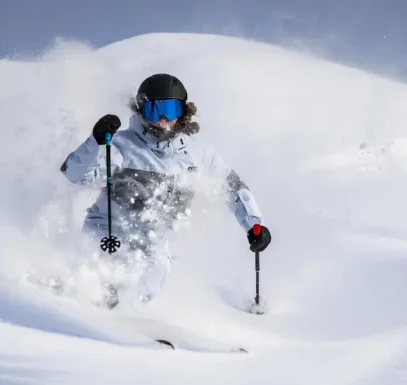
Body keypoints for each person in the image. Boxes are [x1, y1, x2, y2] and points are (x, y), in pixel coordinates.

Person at [60, 73, 271, 307]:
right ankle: (77, 308)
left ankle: (123, 322)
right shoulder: (121, 144)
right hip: (109, 233)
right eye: (153, 110)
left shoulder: (199, 154)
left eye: (170, 110)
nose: (162, 119)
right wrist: (95, 141)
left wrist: (253, 224)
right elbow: (75, 174)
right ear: (141, 110)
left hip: (154, 240)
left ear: (183, 112)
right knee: (97, 280)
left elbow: (231, 186)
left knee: (155, 269)